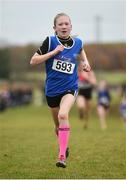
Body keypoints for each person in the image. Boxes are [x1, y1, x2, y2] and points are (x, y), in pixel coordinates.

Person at [30, 13, 91, 168]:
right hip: (51, 91)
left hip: (70, 88)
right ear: (55, 28)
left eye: (66, 24)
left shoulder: (78, 42)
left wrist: (85, 62)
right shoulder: (50, 41)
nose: (64, 27)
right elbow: (33, 61)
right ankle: (64, 145)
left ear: (71, 26)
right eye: (60, 24)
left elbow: (81, 50)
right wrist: (54, 52)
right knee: (58, 126)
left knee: (63, 114)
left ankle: (62, 155)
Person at [76, 62, 97, 129]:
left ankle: (86, 123)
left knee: (87, 110)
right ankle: (81, 113)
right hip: (80, 91)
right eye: (81, 65)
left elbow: (94, 83)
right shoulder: (77, 72)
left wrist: (86, 78)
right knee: (81, 106)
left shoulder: (90, 73)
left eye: (84, 65)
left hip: (88, 91)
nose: (82, 67)